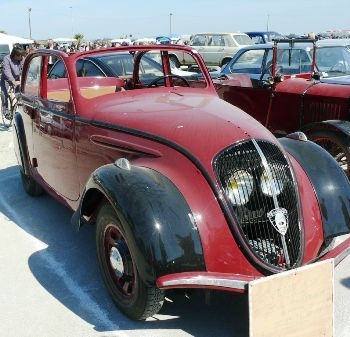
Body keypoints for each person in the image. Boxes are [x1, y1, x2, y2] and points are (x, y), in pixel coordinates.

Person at [0, 44, 26, 117]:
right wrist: (13, 81)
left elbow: (25, 69)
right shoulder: (7, 58)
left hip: (17, 78)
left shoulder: (22, 59)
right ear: (15, 55)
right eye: (20, 56)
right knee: (4, 94)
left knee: (18, 94)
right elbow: (7, 71)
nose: (21, 57)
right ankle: (6, 111)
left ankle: (17, 108)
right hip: (6, 79)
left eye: (22, 55)